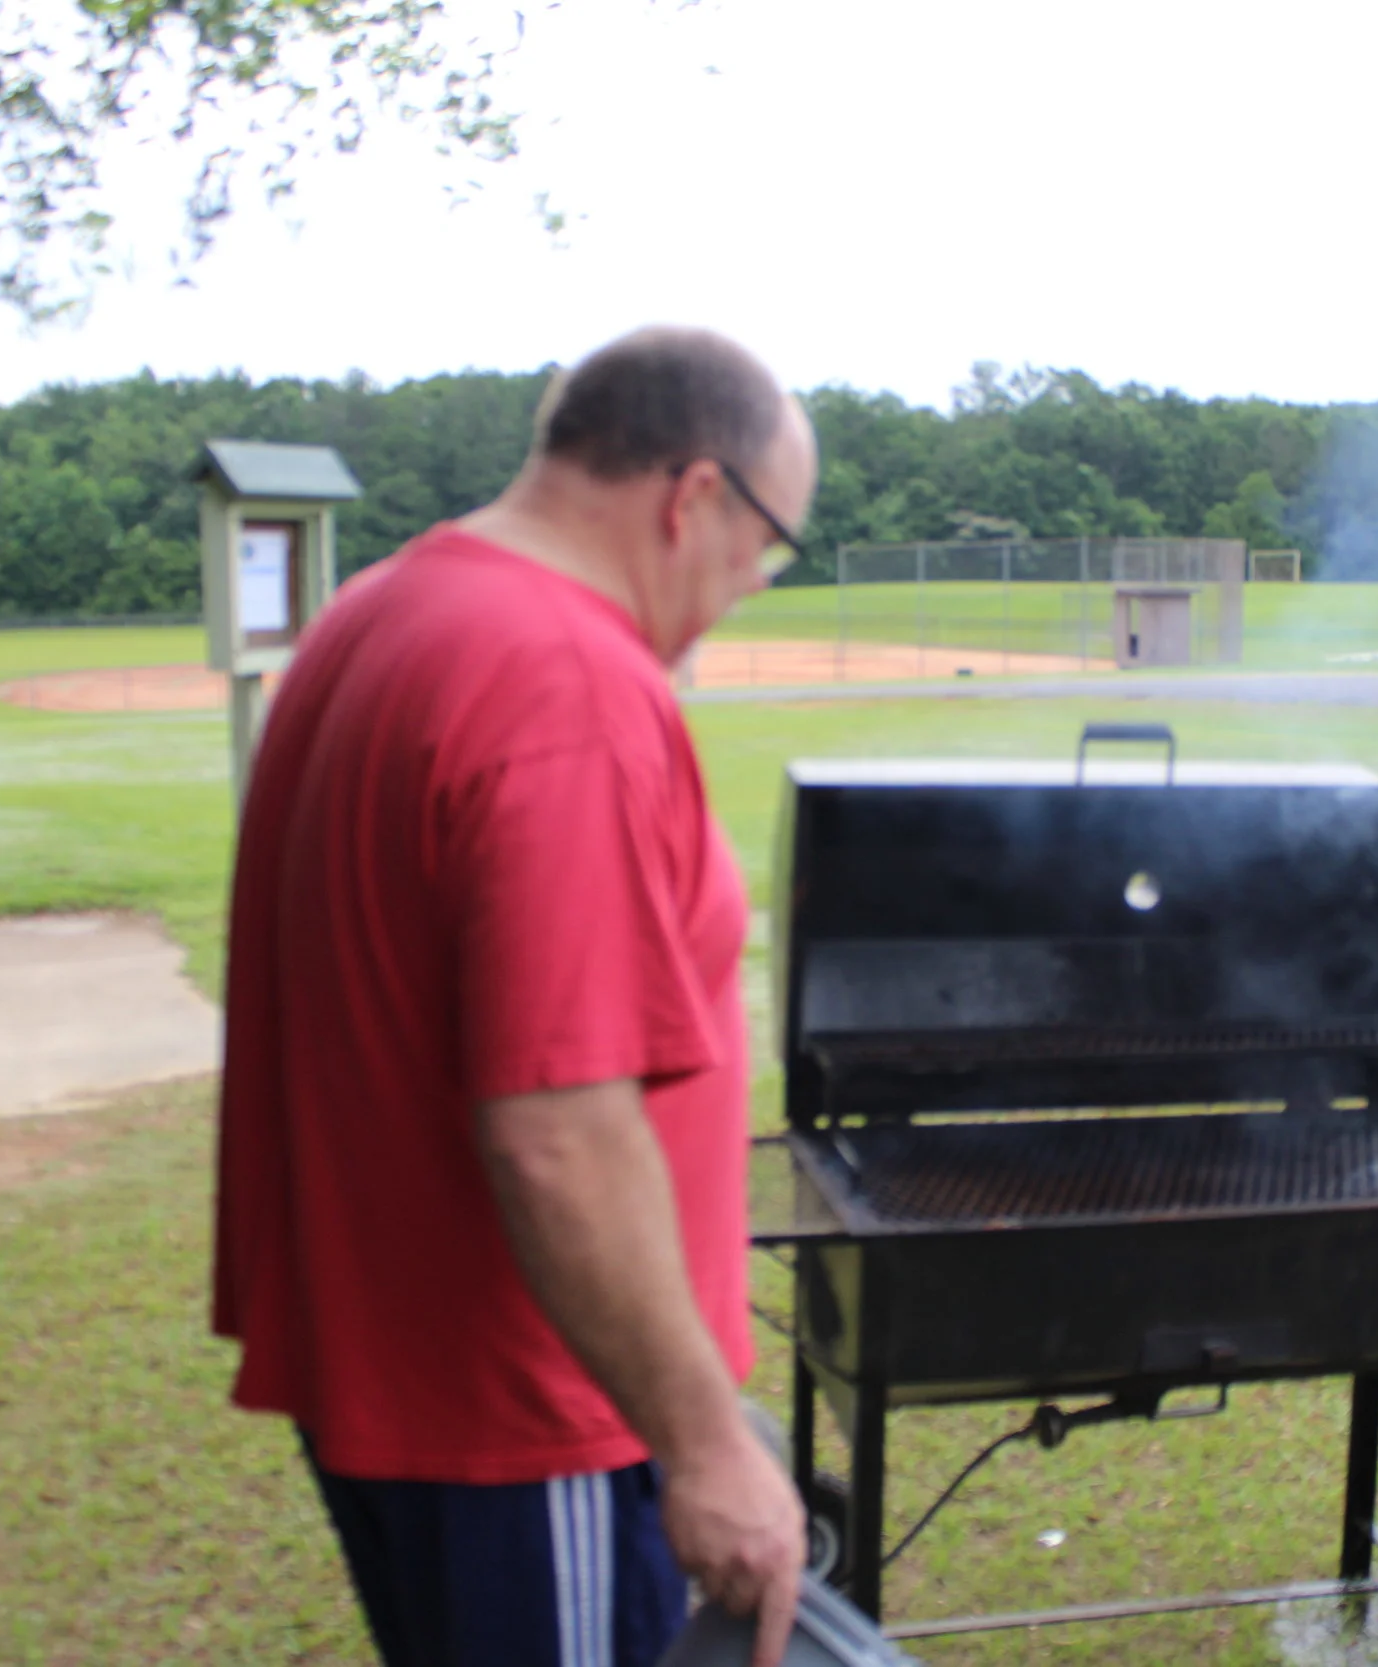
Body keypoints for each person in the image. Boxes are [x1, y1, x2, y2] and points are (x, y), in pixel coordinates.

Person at [212, 326, 816, 1667]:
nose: (750, 586)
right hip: (532, 1412)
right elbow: (556, 1125)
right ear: (694, 496)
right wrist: (705, 1442)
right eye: (769, 548)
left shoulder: (385, 610)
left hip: (415, 1376)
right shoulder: (567, 685)